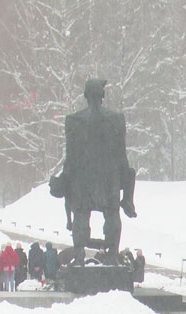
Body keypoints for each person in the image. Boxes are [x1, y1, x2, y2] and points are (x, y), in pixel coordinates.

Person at [59, 79, 137, 265]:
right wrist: (127, 191)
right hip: (108, 182)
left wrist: (64, 181)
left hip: (83, 182)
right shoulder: (117, 119)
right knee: (112, 215)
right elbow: (121, 156)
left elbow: (71, 157)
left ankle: (79, 255)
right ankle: (112, 254)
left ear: (85, 96)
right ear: (102, 96)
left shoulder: (73, 121)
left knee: (80, 216)